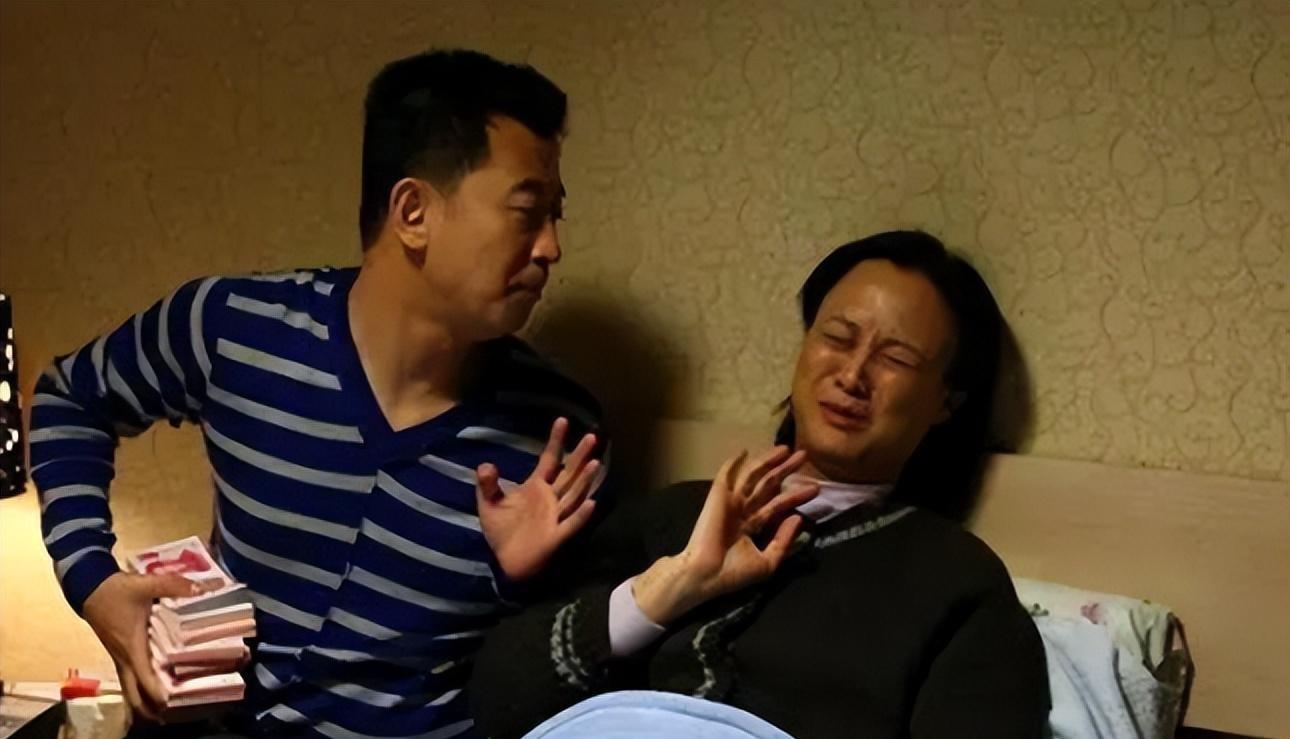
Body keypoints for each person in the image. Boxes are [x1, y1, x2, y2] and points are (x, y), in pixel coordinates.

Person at [30, 49, 610, 738]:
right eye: (527, 212)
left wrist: (518, 586)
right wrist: (94, 584)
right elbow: (68, 399)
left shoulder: (559, 435)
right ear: (413, 212)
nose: (551, 247)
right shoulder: (236, 327)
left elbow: (551, 684)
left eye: (556, 216)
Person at [469, 231, 1051, 739]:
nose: (852, 375)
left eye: (895, 359)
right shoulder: (671, 517)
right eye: (837, 337)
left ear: (947, 401)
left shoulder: (957, 584)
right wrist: (667, 588)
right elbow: (498, 699)